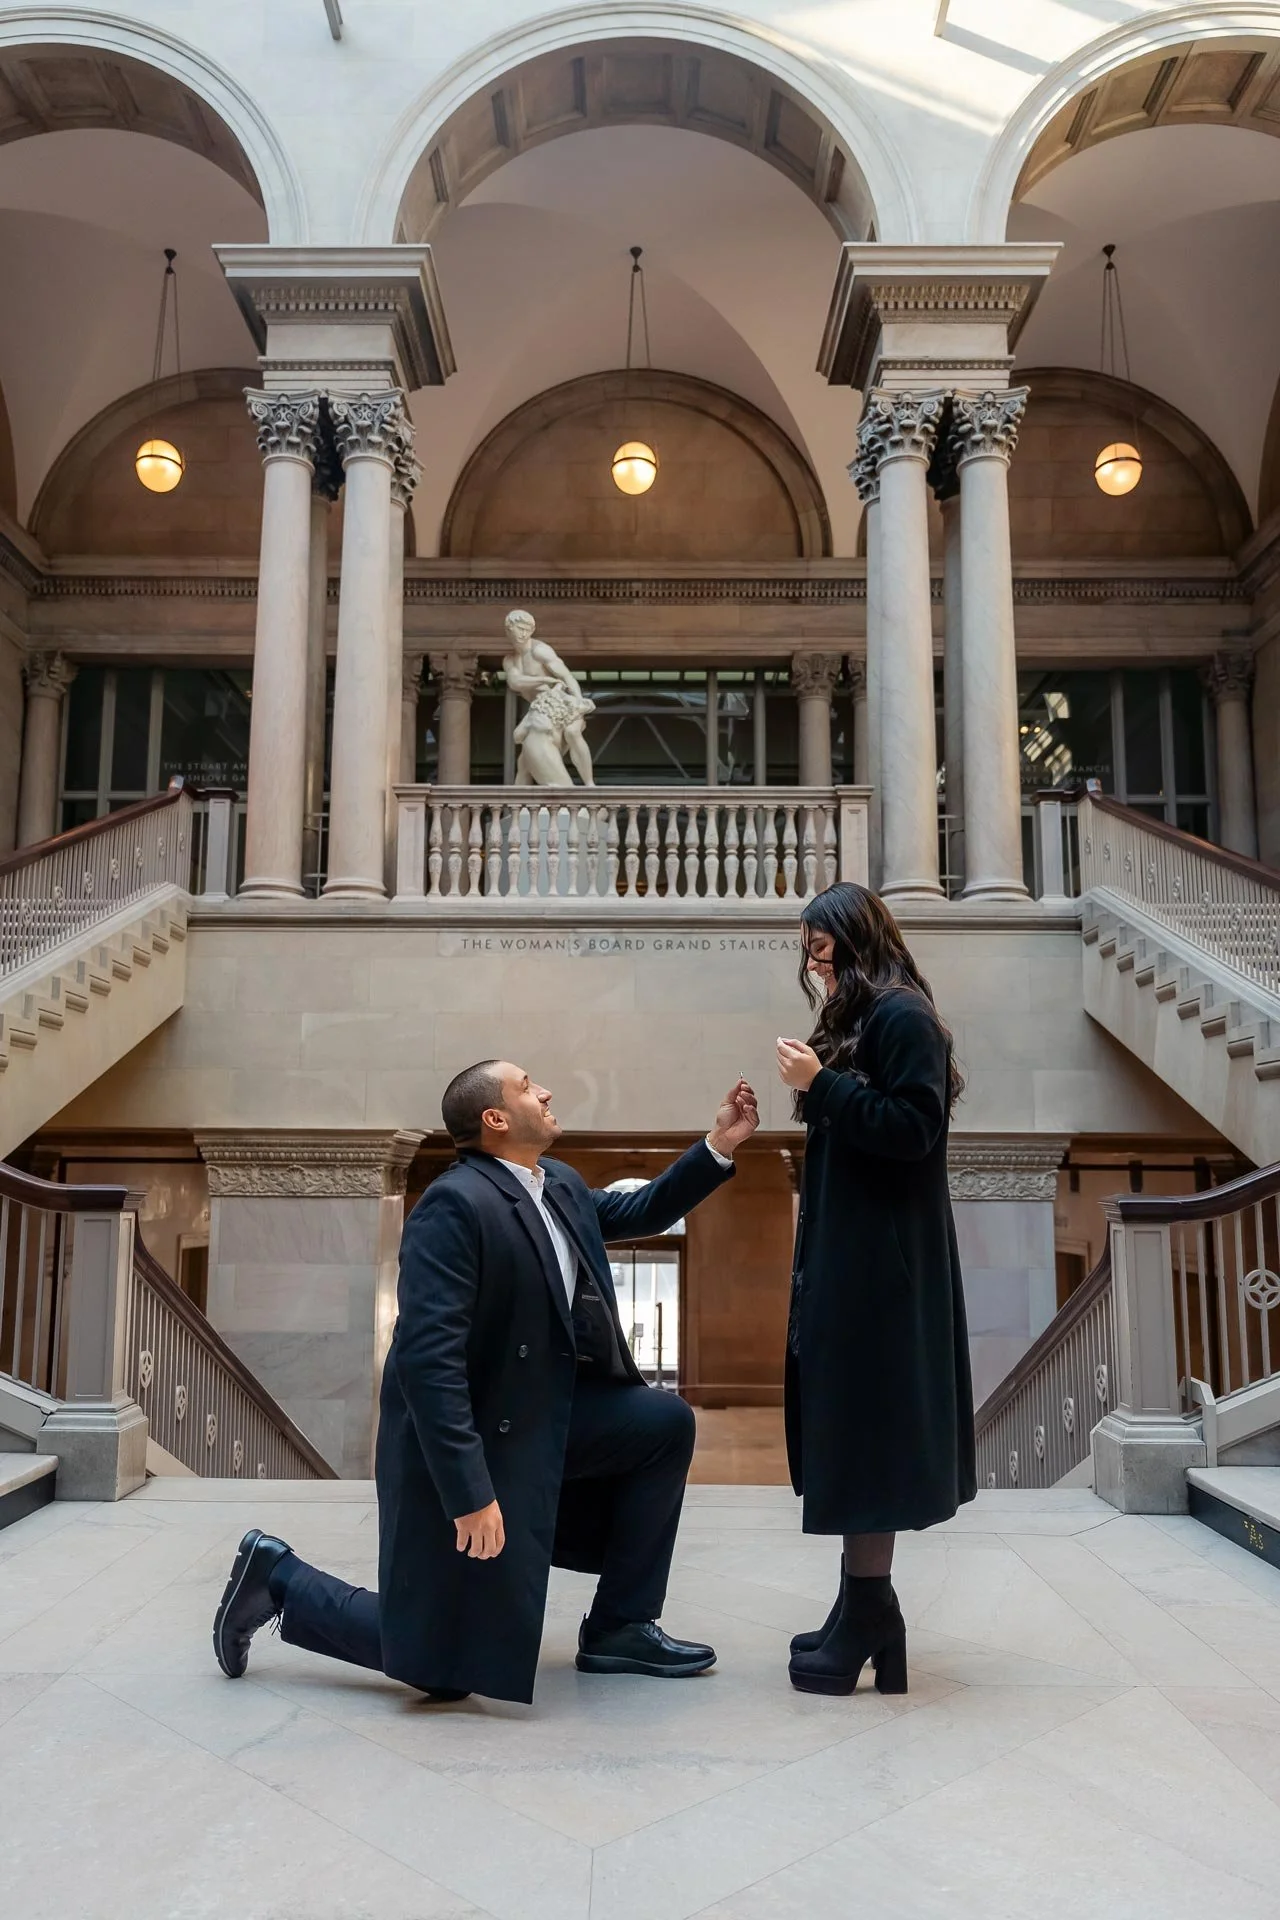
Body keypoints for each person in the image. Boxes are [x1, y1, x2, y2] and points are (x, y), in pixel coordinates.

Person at [212, 1060, 759, 1704]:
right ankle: (278, 1579)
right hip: (467, 1443)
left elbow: (640, 1208)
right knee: (441, 1673)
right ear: (495, 1120)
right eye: (528, 1087)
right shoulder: (453, 1205)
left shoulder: (556, 1183)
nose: (546, 1090)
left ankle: (620, 1626)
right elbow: (427, 1359)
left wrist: (719, 1146)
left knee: (662, 1423)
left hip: (534, 1416)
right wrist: (470, 1494)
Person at [775, 882, 975, 1696]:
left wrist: (822, 1084)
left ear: (857, 941)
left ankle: (866, 1615)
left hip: (884, 1275)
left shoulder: (903, 1016)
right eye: (809, 951)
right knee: (852, 1434)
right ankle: (863, 1607)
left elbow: (913, 1129)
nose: (814, 965)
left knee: (869, 1437)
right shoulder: (873, 1017)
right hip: (858, 1261)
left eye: (821, 949)